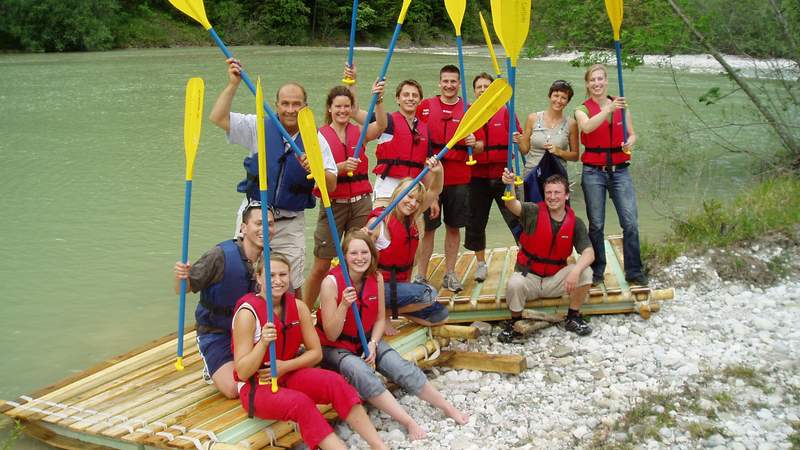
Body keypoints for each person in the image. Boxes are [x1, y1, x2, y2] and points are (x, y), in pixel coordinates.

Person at [317, 231, 468, 441]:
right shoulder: (330, 283)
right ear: (344, 256)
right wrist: (343, 305)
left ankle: (447, 407)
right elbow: (331, 335)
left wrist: (373, 343)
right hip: (335, 348)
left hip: (366, 339)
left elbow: (379, 319)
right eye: (353, 253)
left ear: (372, 254)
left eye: (364, 252)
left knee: (399, 366)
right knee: (360, 371)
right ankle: (408, 422)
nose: (359, 258)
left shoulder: (376, 278)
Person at [209, 57, 338, 302]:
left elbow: (331, 186)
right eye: (285, 104)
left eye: (296, 104)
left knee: (289, 280)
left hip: (290, 221)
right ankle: (246, 321)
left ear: (306, 107)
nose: (290, 110)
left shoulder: (316, 140)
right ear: (276, 105)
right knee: (243, 274)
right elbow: (218, 118)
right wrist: (233, 84)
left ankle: (288, 326)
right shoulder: (258, 125)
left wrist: (318, 171)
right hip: (256, 215)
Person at [231, 253, 387, 450]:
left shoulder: (298, 307)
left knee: (336, 382)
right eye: (271, 276)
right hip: (257, 385)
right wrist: (262, 343)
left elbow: (316, 354)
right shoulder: (247, 314)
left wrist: (285, 366)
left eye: (283, 275)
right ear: (259, 278)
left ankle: (379, 445)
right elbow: (243, 372)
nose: (278, 281)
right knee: (301, 403)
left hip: (287, 372)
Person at [172, 202, 275, 399]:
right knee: (233, 389)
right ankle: (212, 368)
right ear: (243, 228)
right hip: (218, 333)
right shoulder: (219, 256)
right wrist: (180, 276)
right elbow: (183, 289)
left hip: (255, 333)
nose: (265, 229)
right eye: (259, 223)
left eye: (270, 224)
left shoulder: (273, 259)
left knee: (274, 376)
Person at [303, 77, 387, 310]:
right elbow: (319, 172)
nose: (342, 110)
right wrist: (340, 168)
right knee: (321, 264)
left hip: (360, 203)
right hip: (333, 204)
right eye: (338, 106)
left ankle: (357, 307)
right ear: (330, 108)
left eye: (346, 106)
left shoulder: (359, 132)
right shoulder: (318, 137)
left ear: (352, 109)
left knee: (359, 259)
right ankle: (305, 312)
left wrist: (378, 102)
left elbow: (380, 126)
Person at [498, 171, 595, 342]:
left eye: (557, 192)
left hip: (555, 280)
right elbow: (512, 205)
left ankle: (573, 317)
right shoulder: (532, 211)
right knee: (514, 283)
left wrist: (575, 270)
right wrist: (510, 185)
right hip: (529, 275)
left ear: (566, 195)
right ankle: (515, 323)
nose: (552, 197)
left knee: (585, 272)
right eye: (548, 193)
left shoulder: (575, 222)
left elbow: (589, 252)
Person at [573, 64, 647, 286]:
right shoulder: (582, 108)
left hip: (620, 170)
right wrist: (608, 109)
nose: (597, 83)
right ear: (587, 84)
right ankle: (597, 270)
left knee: (630, 222)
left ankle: (634, 271)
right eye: (592, 80)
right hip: (593, 172)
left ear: (606, 81)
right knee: (596, 224)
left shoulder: (622, 106)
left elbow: (633, 134)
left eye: (600, 79)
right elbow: (586, 128)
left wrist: (629, 142)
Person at [415, 65, 483, 292]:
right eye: (445, 81)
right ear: (439, 82)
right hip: (431, 177)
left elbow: (481, 147)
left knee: (454, 227)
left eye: (453, 81)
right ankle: (421, 275)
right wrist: (427, 187)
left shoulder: (470, 111)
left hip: (459, 178)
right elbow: (416, 142)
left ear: (459, 83)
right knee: (428, 227)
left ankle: (450, 273)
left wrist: (475, 143)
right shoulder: (425, 107)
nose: (449, 85)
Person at [365, 157, 449, 335]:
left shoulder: (412, 217)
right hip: (379, 291)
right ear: (398, 194)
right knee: (428, 293)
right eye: (409, 197)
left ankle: (394, 312)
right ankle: (380, 315)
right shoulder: (379, 222)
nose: (413, 203)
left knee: (441, 314)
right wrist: (363, 237)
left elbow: (435, 189)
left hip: (399, 289)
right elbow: (357, 253)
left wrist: (439, 172)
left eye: (417, 201)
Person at [465, 73, 522, 282]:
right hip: (477, 175)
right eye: (478, 86)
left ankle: (524, 256)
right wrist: (469, 142)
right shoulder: (469, 113)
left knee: (515, 216)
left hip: (503, 173)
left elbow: (520, 139)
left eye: (486, 86)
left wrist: (518, 137)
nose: (482, 90)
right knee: (475, 222)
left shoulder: (507, 110)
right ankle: (480, 264)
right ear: (474, 91)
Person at [371, 79, 432, 208]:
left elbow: (428, 167)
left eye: (414, 96)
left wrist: (433, 198)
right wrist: (377, 99)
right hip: (386, 194)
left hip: (412, 198)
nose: (410, 99)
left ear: (420, 101)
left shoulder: (424, 129)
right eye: (406, 95)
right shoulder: (386, 121)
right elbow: (355, 112)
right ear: (397, 99)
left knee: (415, 229)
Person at [517, 80, 580, 177]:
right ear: (550, 96)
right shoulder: (532, 118)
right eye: (556, 96)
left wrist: (560, 152)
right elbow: (524, 151)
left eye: (563, 98)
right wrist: (519, 141)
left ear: (567, 102)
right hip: (532, 174)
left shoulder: (571, 124)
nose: (559, 101)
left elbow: (575, 156)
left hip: (557, 176)